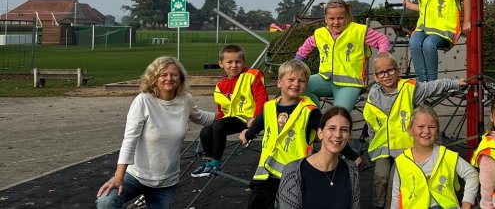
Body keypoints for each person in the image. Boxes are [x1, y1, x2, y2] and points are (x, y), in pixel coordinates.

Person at [96, 57, 214, 209]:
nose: (169, 78)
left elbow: (202, 117)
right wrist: (118, 178)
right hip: (136, 175)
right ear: (154, 78)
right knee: (106, 201)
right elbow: (129, 141)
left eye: (174, 74)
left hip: (166, 181)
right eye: (163, 75)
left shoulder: (185, 100)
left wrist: (237, 117)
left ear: (180, 78)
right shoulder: (143, 101)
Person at [240, 60, 359, 209]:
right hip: (266, 172)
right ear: (279, 82)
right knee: (257, 203)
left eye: (301, 81)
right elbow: (260, 121)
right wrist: (248, 134)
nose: (296, 84)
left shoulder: (309, 111)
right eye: (291, 79)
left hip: (294, 173)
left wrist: (352, 155)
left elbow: (330, 134)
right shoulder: (269, 107)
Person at [365, 53, 466, 209]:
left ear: (398, 71)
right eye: (381, 73)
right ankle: (377, 204)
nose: (386, 75)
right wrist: (372, 141)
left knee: (395, 180)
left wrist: (454, 83)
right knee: (380, 176)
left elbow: (432, 87)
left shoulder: (409, 88)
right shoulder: (374, 94)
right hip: (383, 145)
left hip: (404, 146)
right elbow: (371, 119)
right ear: (376, 77)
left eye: (390, 70)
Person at [294, 0, 391, 110]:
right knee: (298, 85)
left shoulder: (358, 31)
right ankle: (315, 116)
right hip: (325, 79)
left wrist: (382, 56)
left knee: (337, 115)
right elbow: (307, 45)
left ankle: (329, 122)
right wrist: (296, 62)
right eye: (331, 18)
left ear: (347, 17)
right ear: (326, 19)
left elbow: (382, 39)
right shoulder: (320, 33)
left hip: (350, 83)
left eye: (340, 18)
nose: (336, 22)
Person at [192, 44, 268, 177]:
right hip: (231, 118)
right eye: (229, 62)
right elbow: (222, 109)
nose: (234, 65)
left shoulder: (251, 76)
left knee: (219, 125)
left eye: (238, 61)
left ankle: (216, 163)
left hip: (249, 118)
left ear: (243, 62)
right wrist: (216, 122)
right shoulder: (220, 86)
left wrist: (255, 118)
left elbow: (262, 99)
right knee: (205, 131)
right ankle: (209, 162)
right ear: (221, 64)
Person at [391, 105, 479, 209]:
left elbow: (472, 174)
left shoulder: (446, 155)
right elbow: (396, 195)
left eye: (431, 127)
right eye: (420, 127)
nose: (426, 131)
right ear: (410, 130)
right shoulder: (402, 161)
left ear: (437, 132)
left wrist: (467, 203)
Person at [277, 107, 361, 209]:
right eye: (331, 128)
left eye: (344, 130)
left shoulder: (352, 170)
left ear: (349, 135)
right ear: (320, 133)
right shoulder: (293, 172)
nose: (338, 134)